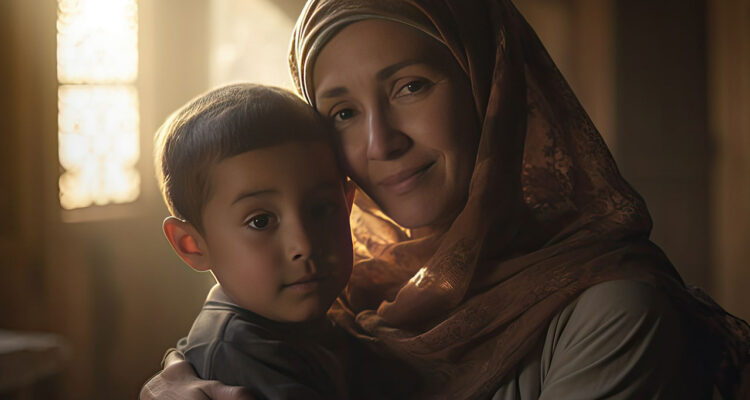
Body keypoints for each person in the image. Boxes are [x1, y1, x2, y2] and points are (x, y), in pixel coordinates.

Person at [141, 0, 750, 399]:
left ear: (491, 85)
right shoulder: (351, 289)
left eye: (410, 86)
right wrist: (185, 370)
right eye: (343, 112)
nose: (381, 142)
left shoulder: (610, 310)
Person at [152, 83, 354, 399]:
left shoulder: (332, 318)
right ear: (192, 244)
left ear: (348, 203)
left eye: (321, 209)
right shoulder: (237, 354)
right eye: (260, 221)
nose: (304, 245)